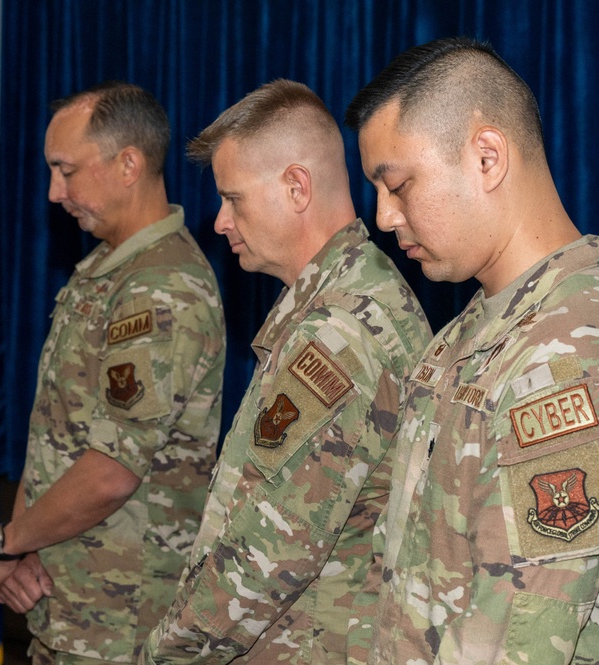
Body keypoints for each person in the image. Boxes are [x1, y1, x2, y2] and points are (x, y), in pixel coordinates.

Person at [345, 36, 599, 664]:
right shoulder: (471, 334)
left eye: (398, 184)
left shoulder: (573, 350)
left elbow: (519, 644)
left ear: (488, 157)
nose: (384, 217)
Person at [140, 79, 432, 664]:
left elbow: (266, 552)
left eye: (234, 199)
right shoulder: (336, 302)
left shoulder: (339, 332)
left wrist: (164, 656)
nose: (221, 221)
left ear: (297, 186)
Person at [0, 81, 227, 664]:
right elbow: (55, 438)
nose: (53, 191)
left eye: (66, 170)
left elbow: (112, 471)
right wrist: (23, 547)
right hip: (70, 603)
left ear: (128, 165)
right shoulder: (104, 268)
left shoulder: (160, 287)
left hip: (123, 625)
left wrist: (7, 543)